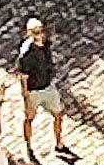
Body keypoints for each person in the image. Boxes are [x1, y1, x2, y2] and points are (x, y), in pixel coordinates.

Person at [13, 15, 68, 157]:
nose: (39, 35)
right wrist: (25, 94)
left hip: (48, 86)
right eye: (35, 32)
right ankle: (28, 146)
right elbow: (23, 75)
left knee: (58, 114)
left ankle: (59, 143)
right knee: (30, 118)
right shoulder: (26, 53)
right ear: (29, 33)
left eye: (40, 31)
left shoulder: (46, 45)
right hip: (34, 90)